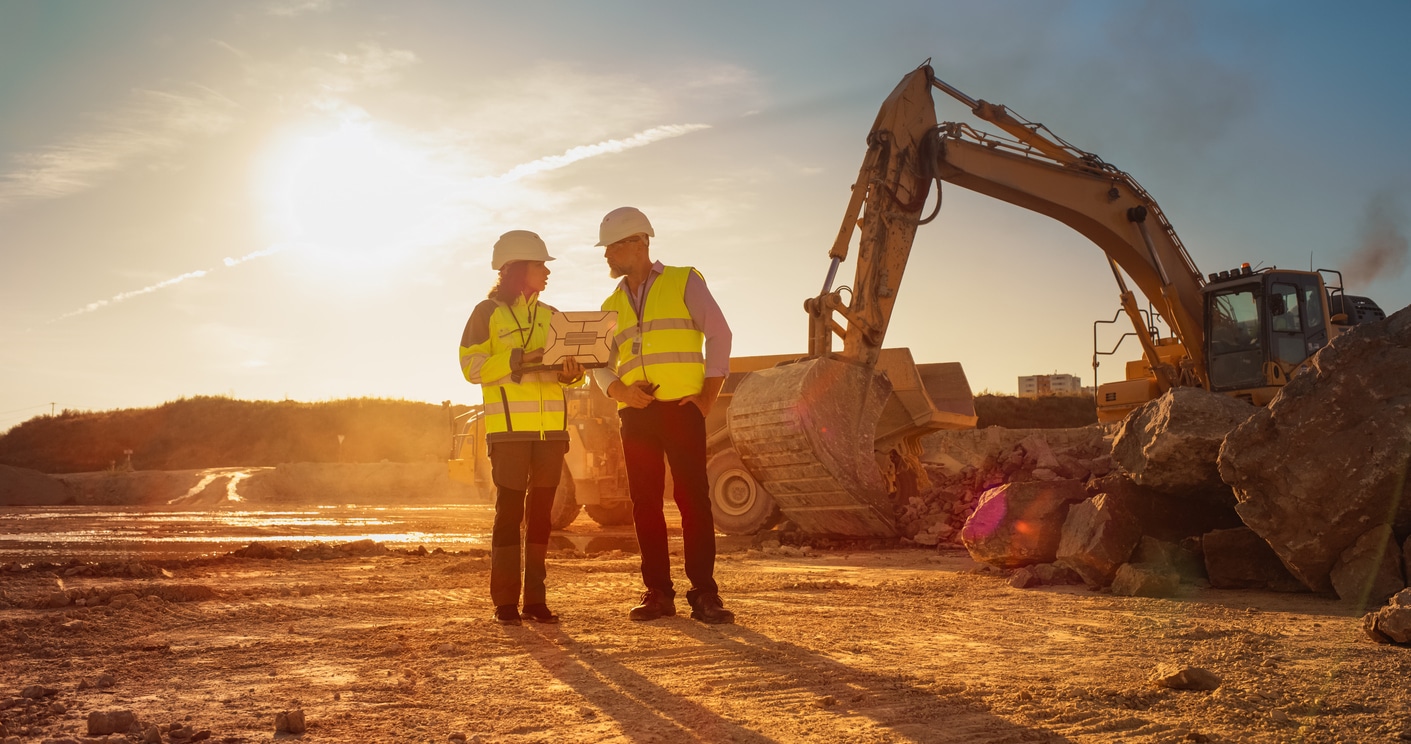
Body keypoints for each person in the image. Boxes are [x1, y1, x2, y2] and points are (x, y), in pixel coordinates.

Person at [589, 207, 735, 624]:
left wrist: (708, 397)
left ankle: (705, 594)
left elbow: (719, 333)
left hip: (682, 409)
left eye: (611, 247)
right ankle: (657, 592)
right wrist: (618, 390)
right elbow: (600, 362)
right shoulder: (610, 304)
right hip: (636, 416)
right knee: (645, 504)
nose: (606, 256)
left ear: (638, 243)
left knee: (693, 501)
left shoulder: (683, 280)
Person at [458, 230, 584, 626]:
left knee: (542, 515)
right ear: (516, 269)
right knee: (509, 512)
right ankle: (505, 603)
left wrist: (573, 373)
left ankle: (536, 601)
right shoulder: (486, 313)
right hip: (509, 432)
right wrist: (517, 358)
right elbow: (471, 367)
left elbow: (572, 380)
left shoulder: (552, 315)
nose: (546, 272)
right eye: (540, 265)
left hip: (551, 434)